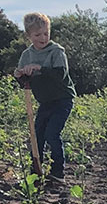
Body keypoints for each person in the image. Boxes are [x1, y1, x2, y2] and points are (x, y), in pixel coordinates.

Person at [12, 12, 75, 187]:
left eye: (46, 33)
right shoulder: (27, 55)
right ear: (29, 36)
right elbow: (24, 82)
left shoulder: (56, 51)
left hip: (62, 99)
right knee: (36, 135)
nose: (43, 37)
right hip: (45, 101)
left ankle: (58, 172)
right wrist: (20, 75)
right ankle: (36, 169)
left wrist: (40, 68)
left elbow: (60, 75)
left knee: (52, 134)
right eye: (38, 35)